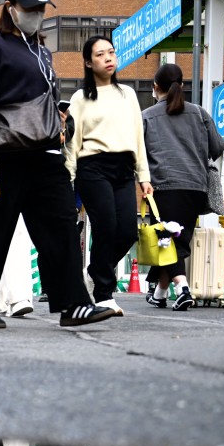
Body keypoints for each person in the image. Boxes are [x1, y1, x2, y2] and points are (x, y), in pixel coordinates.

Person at [0, 0, 115, 329]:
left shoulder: (42, 50)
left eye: (42, 7)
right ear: (10, 8)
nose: (37, 13)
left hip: (46, 154)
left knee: (61, 229)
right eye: (29, 7)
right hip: (5, 154)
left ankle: (73, 304)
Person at [67, 36, 153, 315]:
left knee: (127, 232)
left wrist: (144, 176)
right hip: (92, 167)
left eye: (111, 53)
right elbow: (72, 141)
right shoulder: (80, 98)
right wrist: (67, 179)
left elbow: (138, 136)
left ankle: (94, 271)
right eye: (101, 54)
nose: (108, 58)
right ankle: (104, 293)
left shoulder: (127, 94)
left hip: (124, 169)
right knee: (106, 227)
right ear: (88, 63)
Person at [142, 63, 224, 311]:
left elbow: (137, 153)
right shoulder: (200, 114)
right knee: (176, 241)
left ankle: (183, 289)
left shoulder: (147, 116)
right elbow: (217, 147)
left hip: (164, 188)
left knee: (166, 241)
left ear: (156, 87)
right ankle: (160, 293)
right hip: (195, 188)